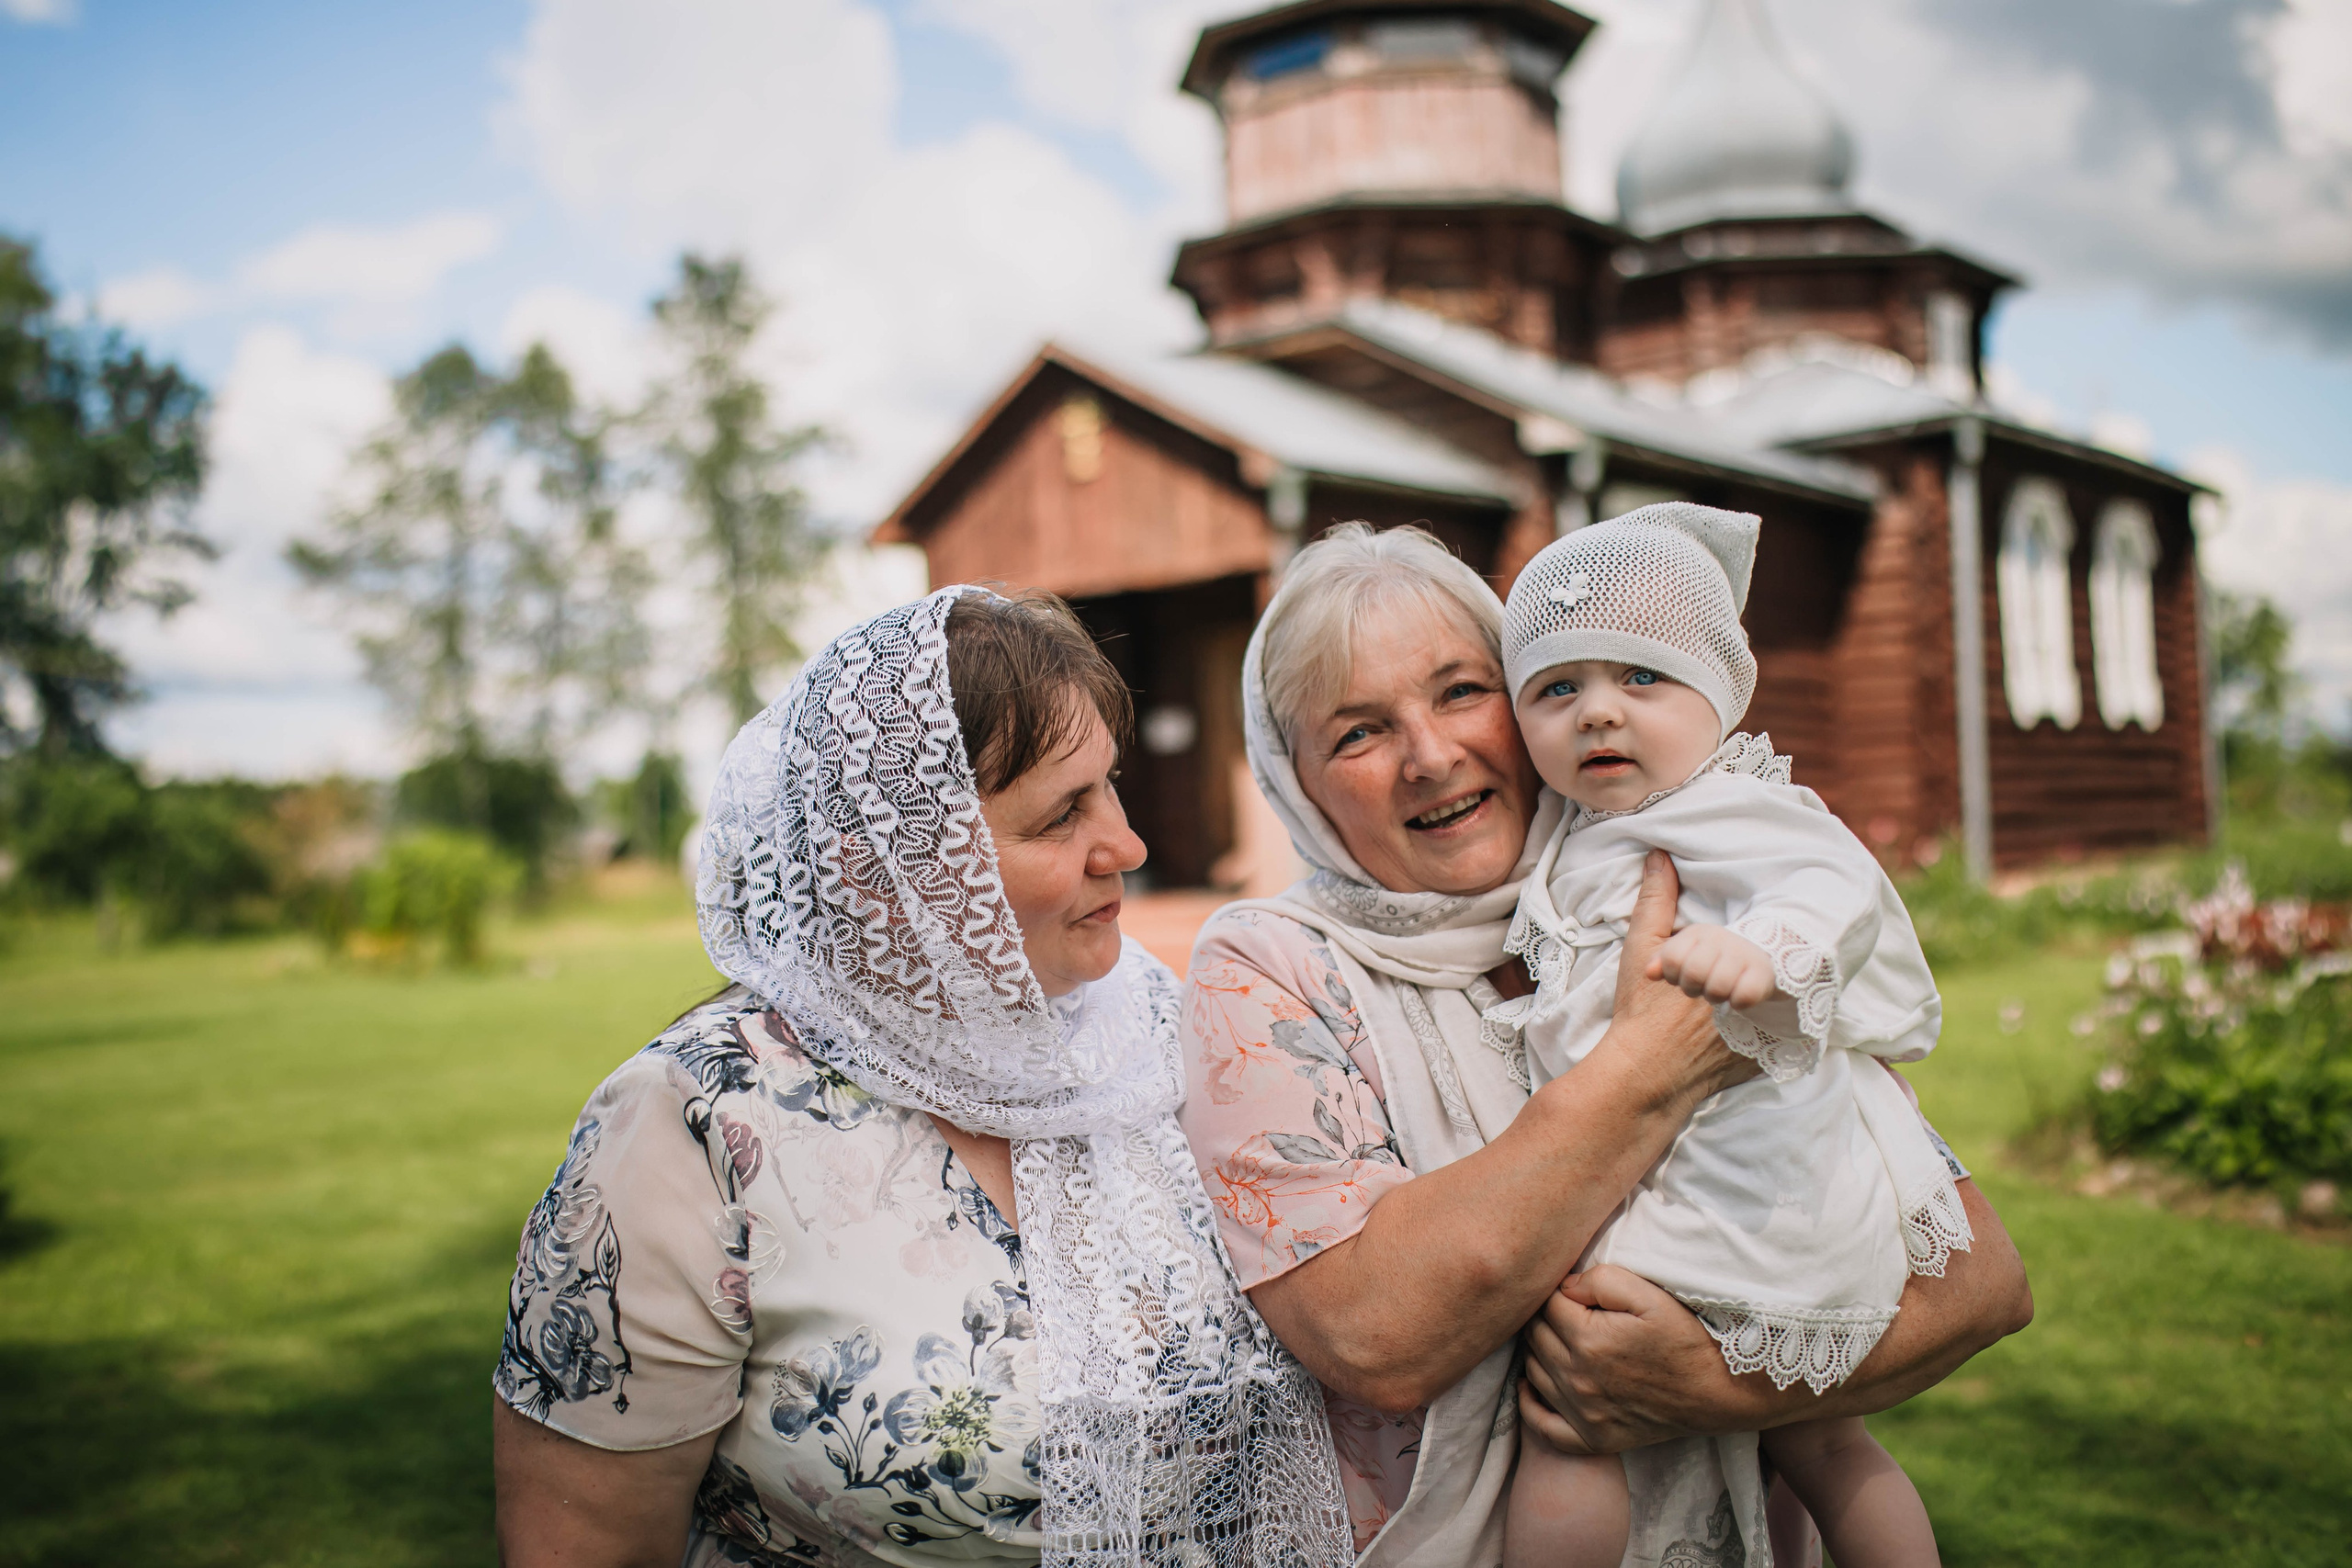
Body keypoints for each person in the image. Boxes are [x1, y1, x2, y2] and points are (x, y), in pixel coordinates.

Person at [1176, 523, 2033, 1567]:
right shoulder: (1270, 968)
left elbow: (1982, 1281)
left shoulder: (1676, 861)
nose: (1430, 756)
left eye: (1460, 691)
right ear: (1294, 780)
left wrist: (1707, 1384)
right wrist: (1651, 1063)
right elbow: (1374, 1334)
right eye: (1358, 733)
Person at [492, 588, 1356, 1568]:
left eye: (1107, 787)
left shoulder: (1164, 1037)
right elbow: (586, 1545)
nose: (1126, 845)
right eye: (1060, 815)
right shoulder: (693, 1124)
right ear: (890, 876)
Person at [1497, 504, 1956, 1568]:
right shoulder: (1573, 830)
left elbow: (1833, 880)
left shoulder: (1728, 805)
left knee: (1579, 1429)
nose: (1598, 714)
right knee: (1809, 1443)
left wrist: (1767, 951)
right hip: (1657, 1158)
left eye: (1640, 680)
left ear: (1720, 694)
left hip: (1746, 1176)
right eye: (1557, 689)